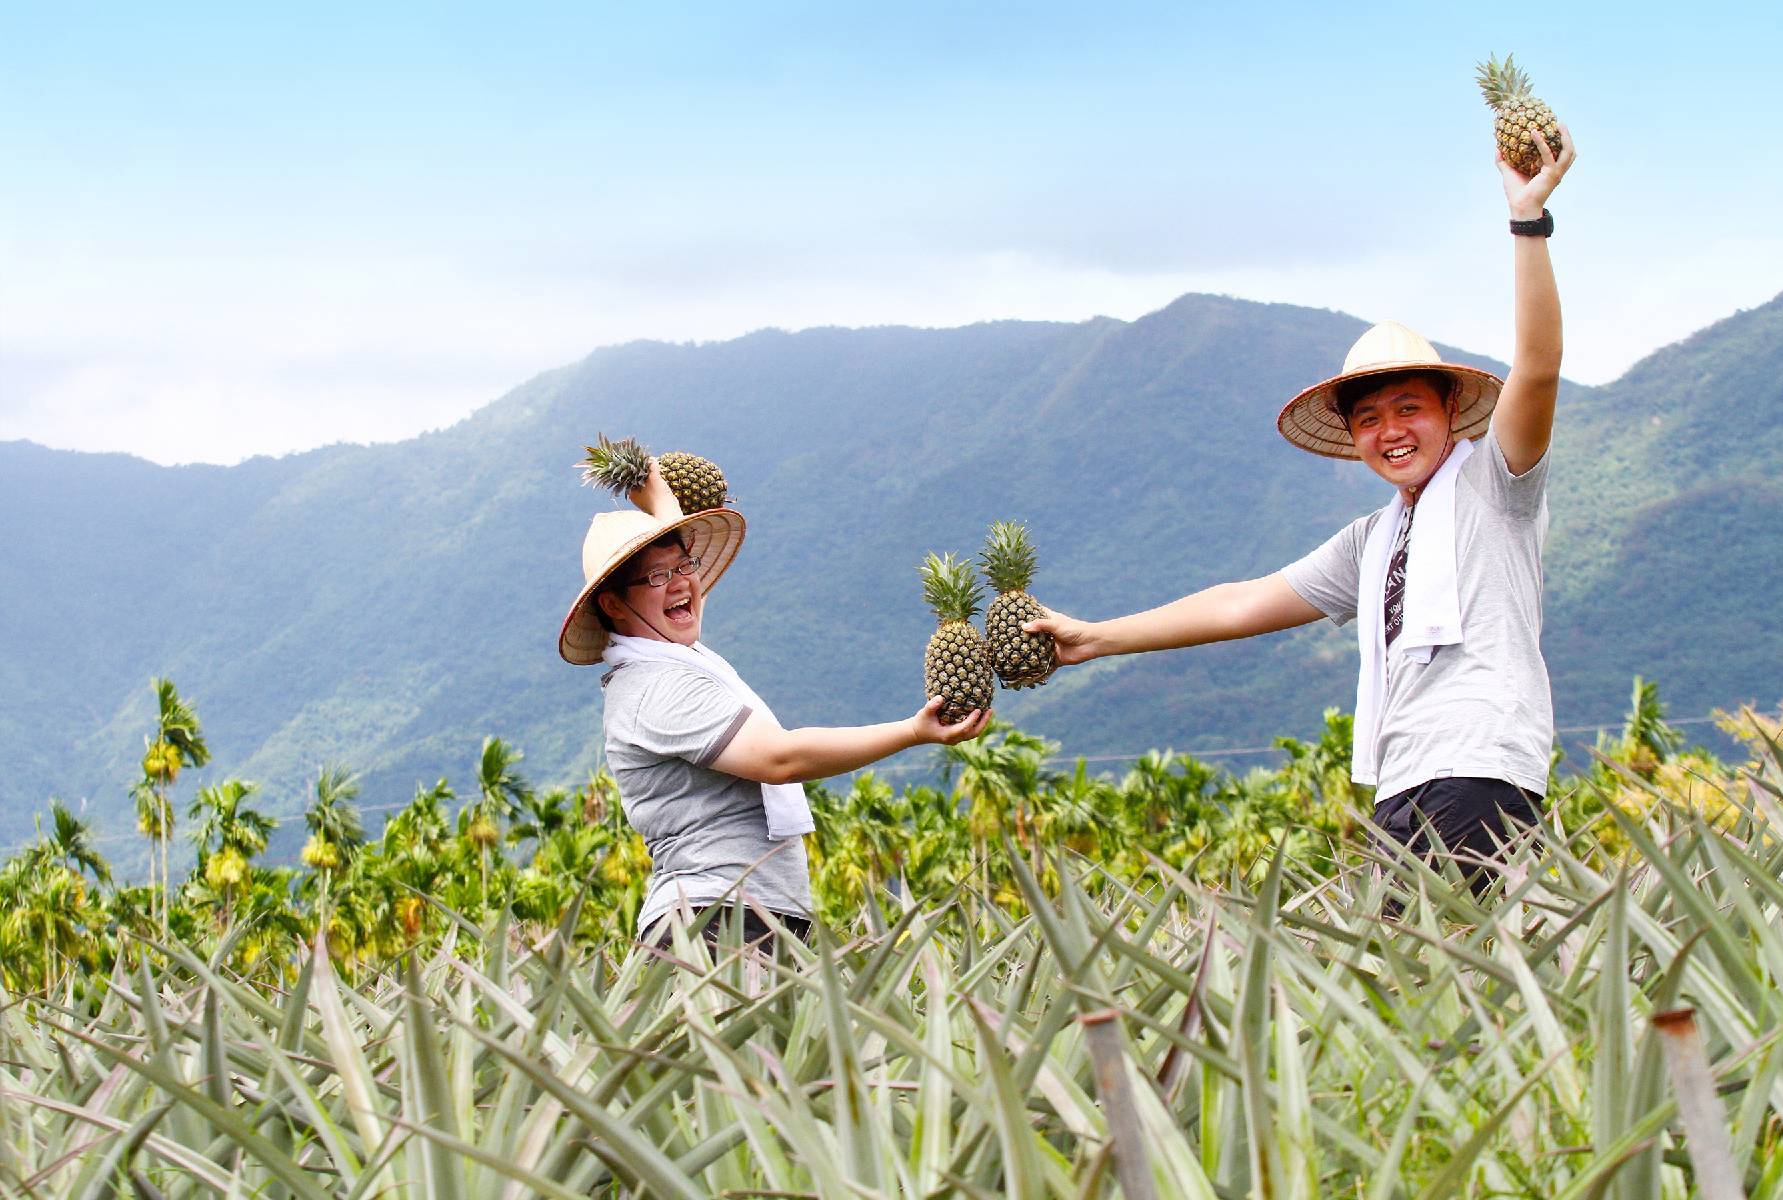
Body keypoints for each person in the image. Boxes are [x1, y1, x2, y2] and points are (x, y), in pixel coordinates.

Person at [1027, 126, 1576, 887]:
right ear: (1352, 437)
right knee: (1414, 995)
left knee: (1441, 980)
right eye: (1370, 419)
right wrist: (1094, 639)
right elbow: (1240, 604)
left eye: (1408, 407)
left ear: (1452, 411)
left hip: (1479, 767)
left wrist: (1527, 222)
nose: (1390, 431)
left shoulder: (1496, 485)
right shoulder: (1371, 540)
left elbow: (1540, 368)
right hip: (1400, 782)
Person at [558, 463, 989, 949]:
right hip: (714, 920)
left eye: (685, 567)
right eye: (657, 576)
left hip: (747, 914)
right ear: (614, 606)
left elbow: (670, 573)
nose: (680, 583)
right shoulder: (656, 686)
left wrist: (658, 498)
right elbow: (779, 759)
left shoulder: (676, 658)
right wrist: (912, 732)